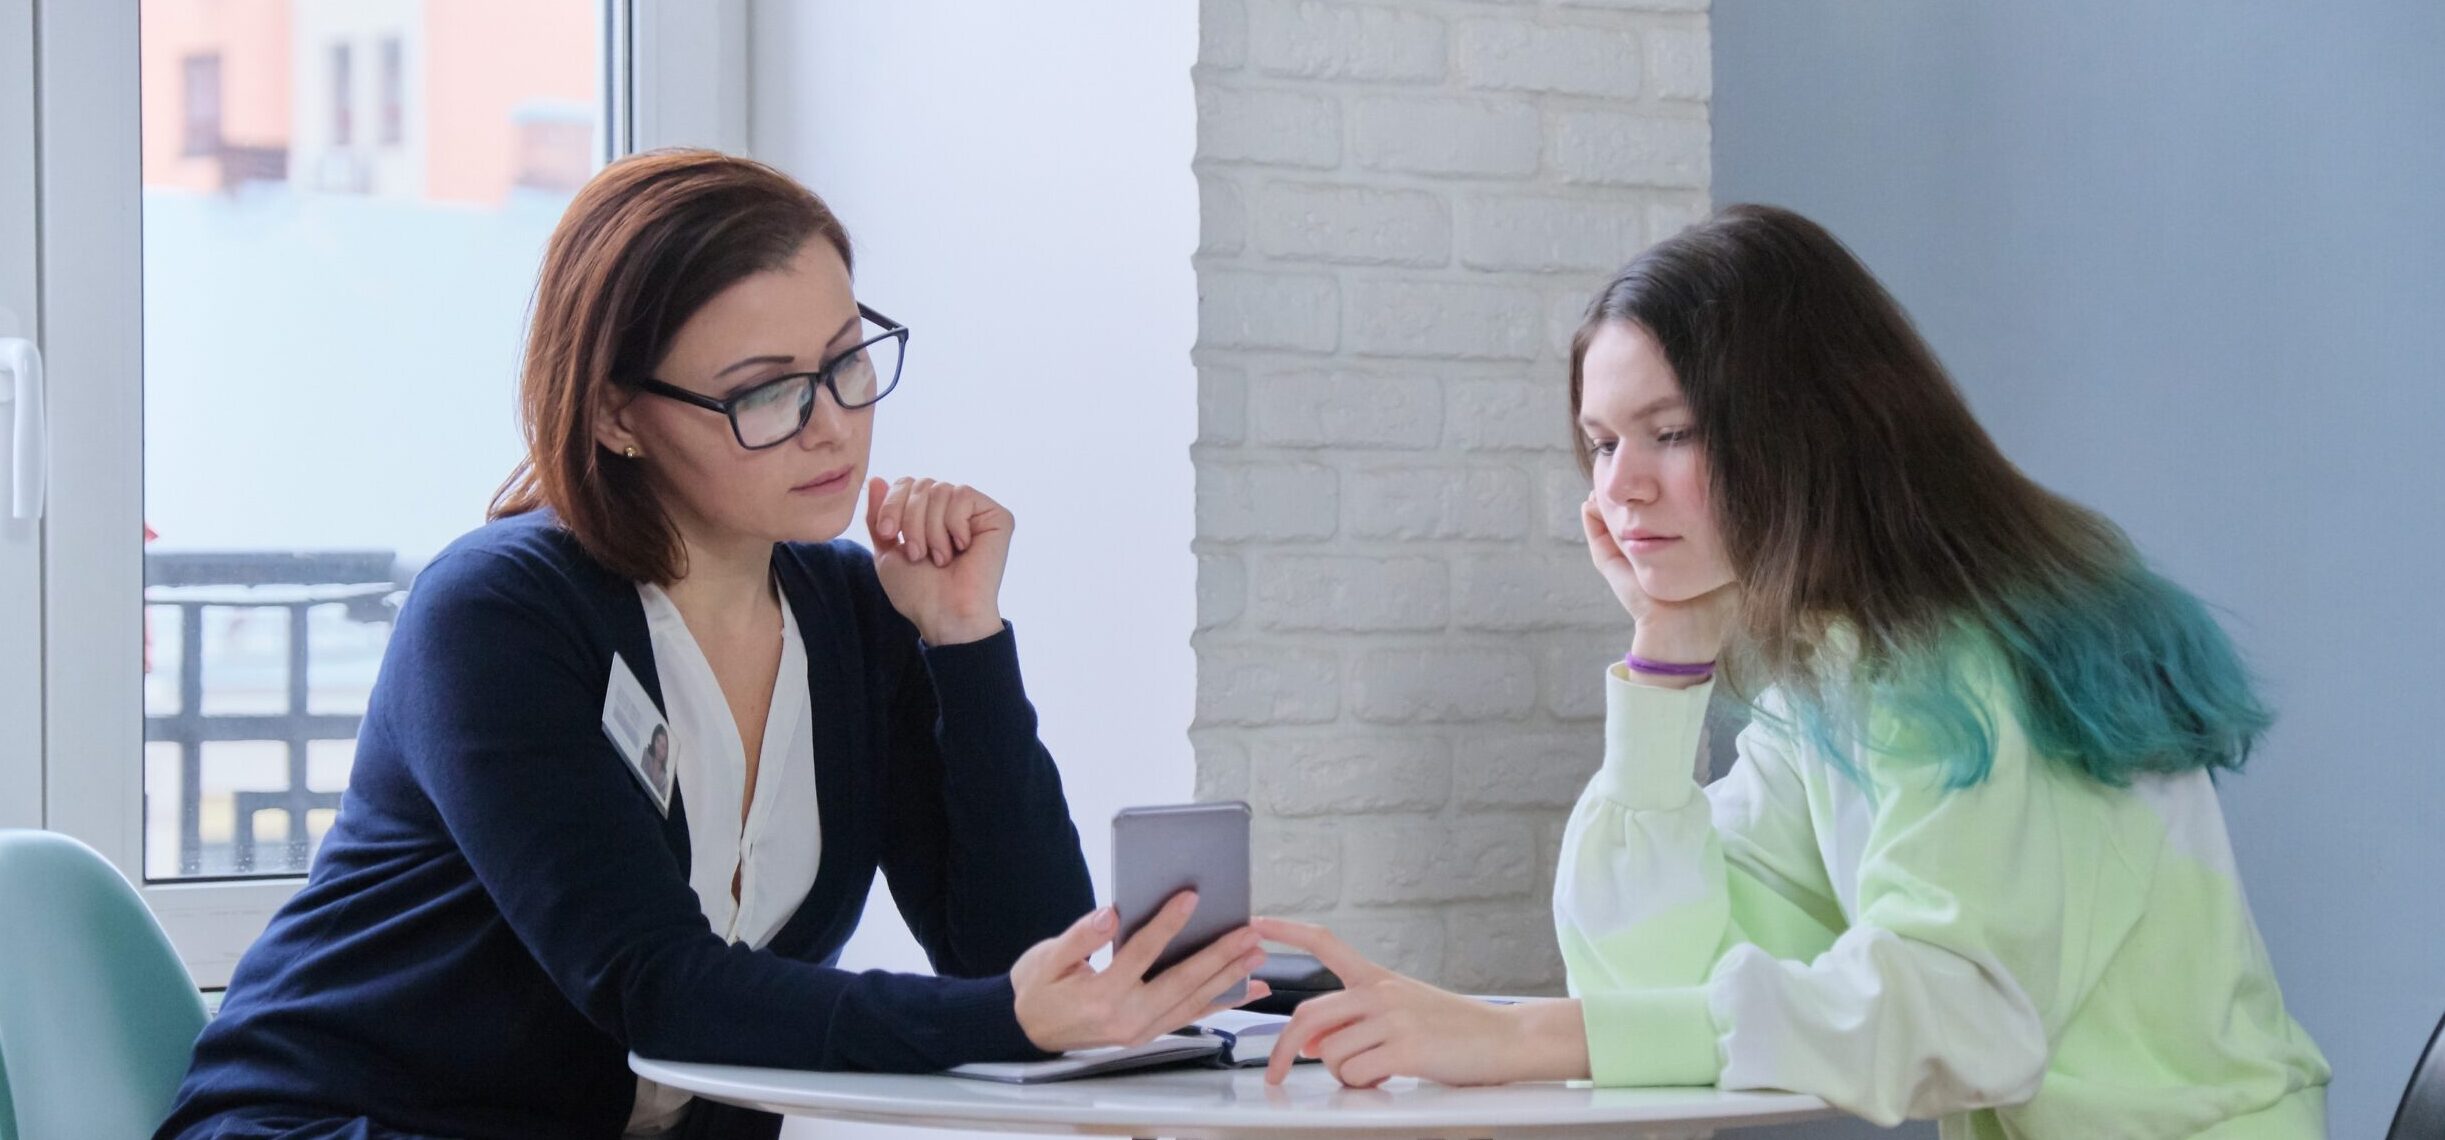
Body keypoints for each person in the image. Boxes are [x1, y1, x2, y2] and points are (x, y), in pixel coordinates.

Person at [158, 149, 1265, 1140]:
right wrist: (1012, 1015)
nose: (831, 421)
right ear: (613, 417)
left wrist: (964, 644)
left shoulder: (857, 617)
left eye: (846, 361)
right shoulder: (496, 616)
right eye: (765, 392)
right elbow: (650, 983)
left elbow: (1019, 962)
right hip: (341, 1125)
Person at [1256, 205, 2330, 1138]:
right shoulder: (1838, 679)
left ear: (1805, 428)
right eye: (1599, 443)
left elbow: (1955, 1014)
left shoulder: (1962, 664)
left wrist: (1515, 1035)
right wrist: (1667, 656)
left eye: (1667, 432)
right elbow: (1648, 983)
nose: (1620, 487)